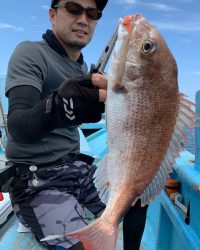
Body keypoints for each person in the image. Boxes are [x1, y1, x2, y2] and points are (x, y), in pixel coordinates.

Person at [5, 0, 147, 249]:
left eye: (92, 13)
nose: (83, 19)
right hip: (37, 180)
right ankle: (32, 213)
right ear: (52, 14)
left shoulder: (82, 67)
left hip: (76, 170)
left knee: (138, 196)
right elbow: (19, 126)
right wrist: (58, 105)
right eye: (73, 8)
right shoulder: (30, 52)